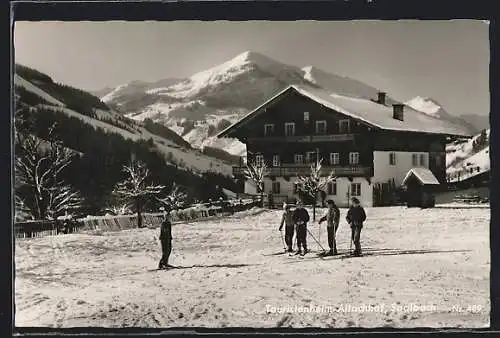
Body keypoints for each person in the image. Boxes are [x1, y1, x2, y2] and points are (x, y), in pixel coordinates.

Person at [158, 205, 173, 269]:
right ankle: (162, 263)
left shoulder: (169, 223)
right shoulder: (164, 223)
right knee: (165, 251)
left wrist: (170, 237)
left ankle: (165, 262)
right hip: (164, 239)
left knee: (169, 250)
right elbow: (164, 231)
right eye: (168, 217)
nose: (169, 218)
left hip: (168, 238)